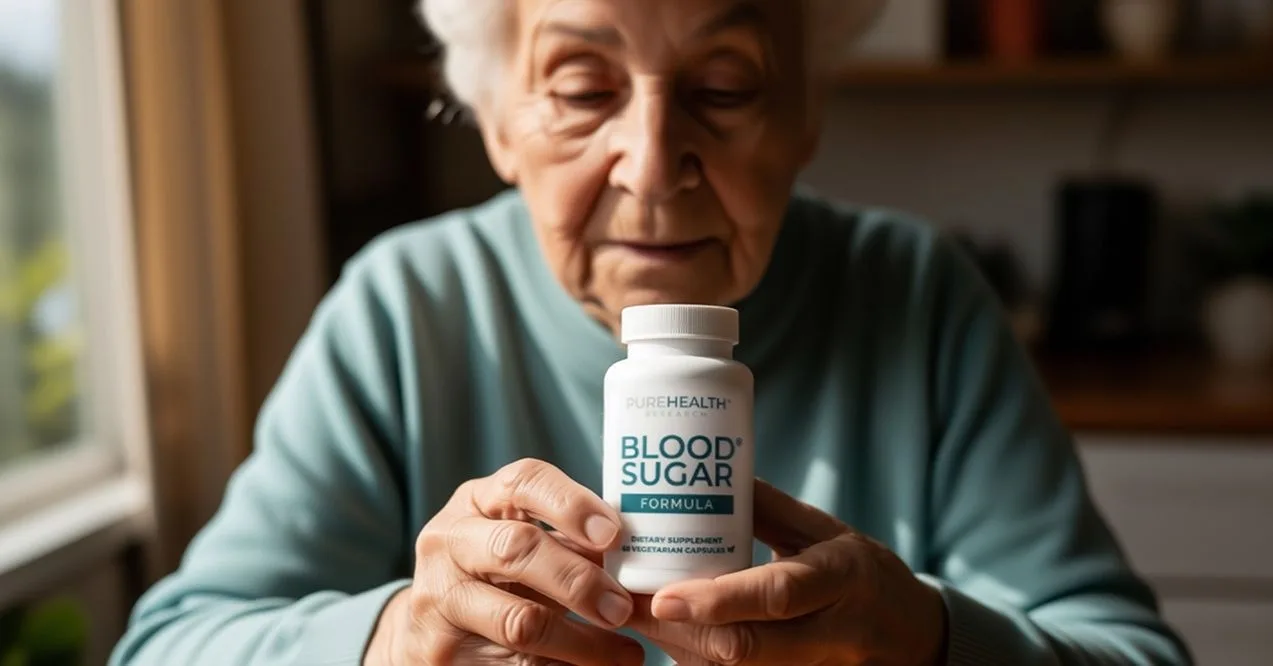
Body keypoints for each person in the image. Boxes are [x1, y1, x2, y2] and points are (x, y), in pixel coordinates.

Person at [110, 1, 1193, 664]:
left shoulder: (914, 294)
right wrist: (395, 639)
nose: (651, 158)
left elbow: (1133, 657)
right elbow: (168, 649)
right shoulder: (403, 308)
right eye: (581, 89)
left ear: (808, 110)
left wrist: (927, 641)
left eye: (723, 86)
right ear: (496, 119)